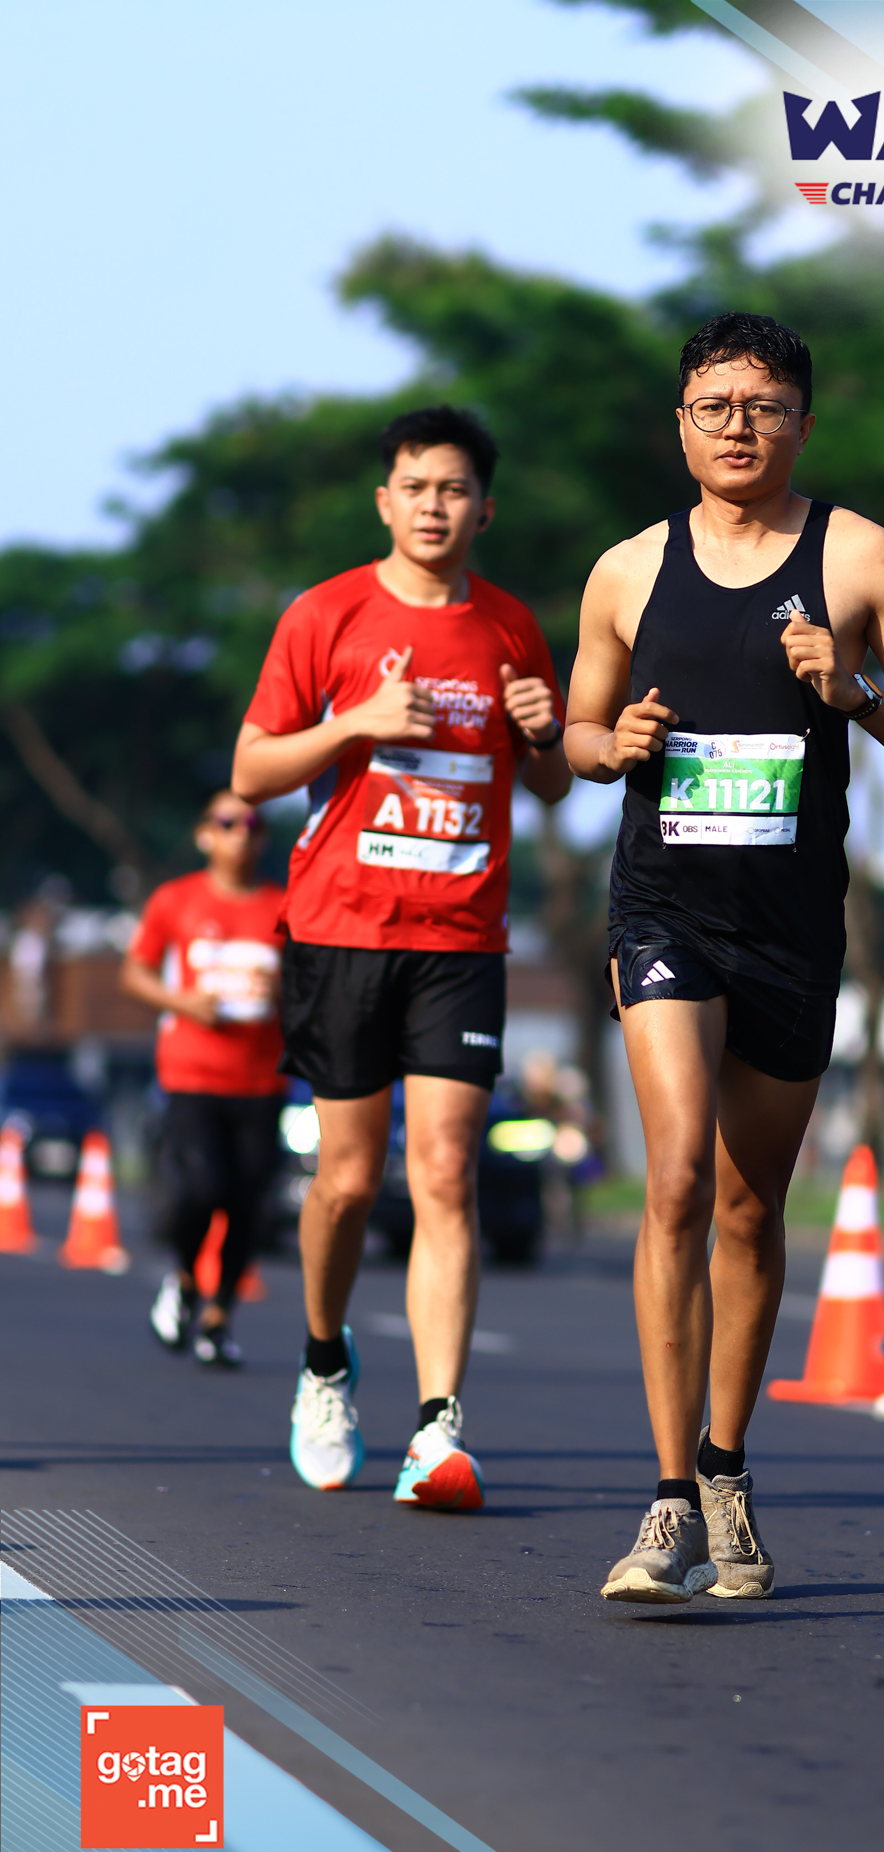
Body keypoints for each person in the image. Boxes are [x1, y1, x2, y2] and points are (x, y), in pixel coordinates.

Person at [565, 311, 884, 1603]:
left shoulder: (858, 557)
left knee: (749, 1206)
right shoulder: (628, 570)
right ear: (680, 423)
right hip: (662, 910)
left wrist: (852, 694)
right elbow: (575, 731)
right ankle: (664, 1501)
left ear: (802, 422)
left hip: (792, 926)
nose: (737, 427)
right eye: (714, 406)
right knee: (677, 1177)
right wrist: (611, 746)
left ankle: (726, 1465)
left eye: (763, 406)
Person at [231, 405, 570, 1504]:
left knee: (445, 1170)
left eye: (454, 489)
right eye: (416, 487)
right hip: (340, 929)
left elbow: (552, 782)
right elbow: (250, 771)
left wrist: (543, 731)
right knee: (343, 1179)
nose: (434, 506)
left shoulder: (511, 627)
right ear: (385, 501)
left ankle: (437, 1428)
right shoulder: (324, 613)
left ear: (485, 509)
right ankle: (324, 1362)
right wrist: (354, 723)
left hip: (459, 937)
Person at [122, 792, 287, 1367]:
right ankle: (185, 1278)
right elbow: (135, 973)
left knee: (248, 1202)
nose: (241, 832)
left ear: (263, 838)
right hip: (192, 1073)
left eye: (252, 823)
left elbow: (309, 984)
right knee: (203, 1186)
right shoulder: (177, 900)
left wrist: (283, 993)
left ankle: (218, 1318)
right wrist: (184, 1002)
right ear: (205, 834)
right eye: (228, 822)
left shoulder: (282, 906)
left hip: (262, 1080)